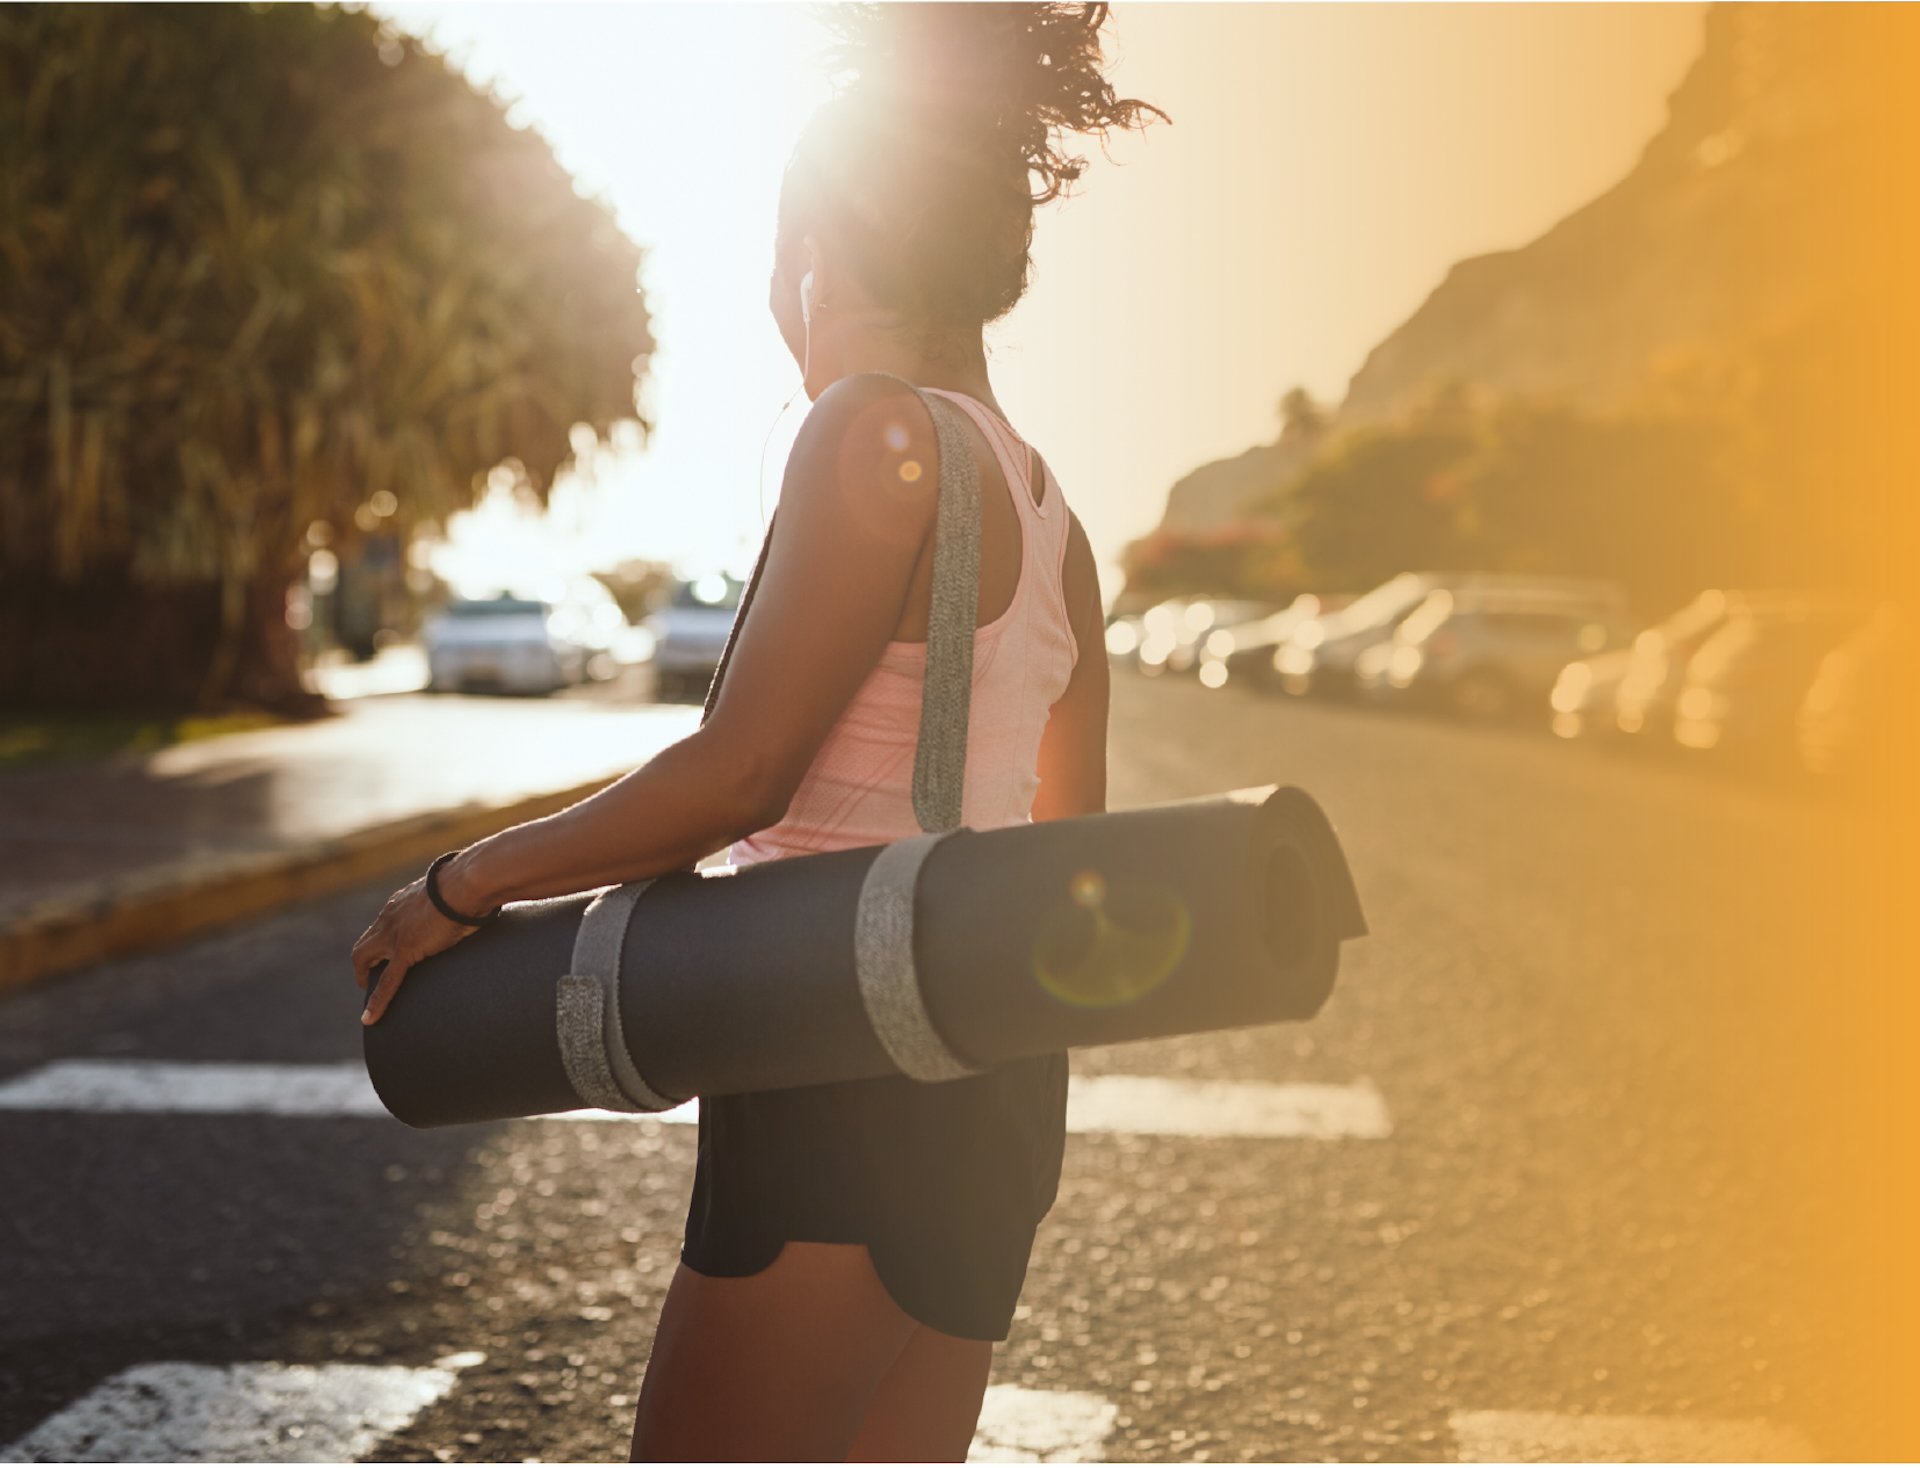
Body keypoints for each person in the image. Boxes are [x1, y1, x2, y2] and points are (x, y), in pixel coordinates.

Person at [349, 3, 1167, 1458]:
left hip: (838, 1046)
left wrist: (462, 886)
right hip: (998, 1087)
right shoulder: (1056, 513)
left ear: (818, 251)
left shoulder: (869, 432)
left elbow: (740, 773)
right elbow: (1069, 852)